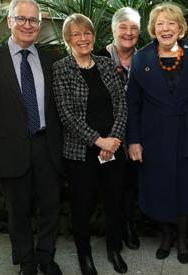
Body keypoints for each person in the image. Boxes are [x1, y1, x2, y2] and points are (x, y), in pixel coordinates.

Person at [0, 1, 63, 274]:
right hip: (10, 148)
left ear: (40, 24)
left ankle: (46, 256)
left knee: (51, 206)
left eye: (33, 20)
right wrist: (6, 132)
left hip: (47, 145)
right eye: (21, 18)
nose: (28, 25)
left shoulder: (52, 59)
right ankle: (26, 262)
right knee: (18, 210)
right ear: (9, 21)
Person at [126, 2, 188, 264]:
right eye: (160, 23)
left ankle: (182, 239)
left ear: (180, 28)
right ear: (153, 29)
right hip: (153, 137)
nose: (165, 28)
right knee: (159, 187)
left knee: (184, 188)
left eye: (171, 23)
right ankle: (166, 236)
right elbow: (132, 105)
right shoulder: (140, 60)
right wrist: (134, 140)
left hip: (186, 135)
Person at [53, 13, 128, 275]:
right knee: (82, 206)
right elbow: (66, 115)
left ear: (93, 37)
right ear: (68, 39)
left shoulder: (107, 64)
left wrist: (114, 140)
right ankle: (85, 256)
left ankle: (114, 249)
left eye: (87, 33)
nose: (83, 38)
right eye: (76, 34)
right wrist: (99, 141)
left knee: (114, 201)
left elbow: (121, 104)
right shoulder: (61, 69)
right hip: (80, 152)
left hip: (114, 150)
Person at [95, 6, 141, 251]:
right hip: (107, 135)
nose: (128, 33)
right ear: (113, 29)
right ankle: (113, 230)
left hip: (135, 134)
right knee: (111, 184)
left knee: (131, 183)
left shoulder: (145, 59)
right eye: (123, 27)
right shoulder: (97, 57)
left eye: (134, 28)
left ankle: (129, 226)